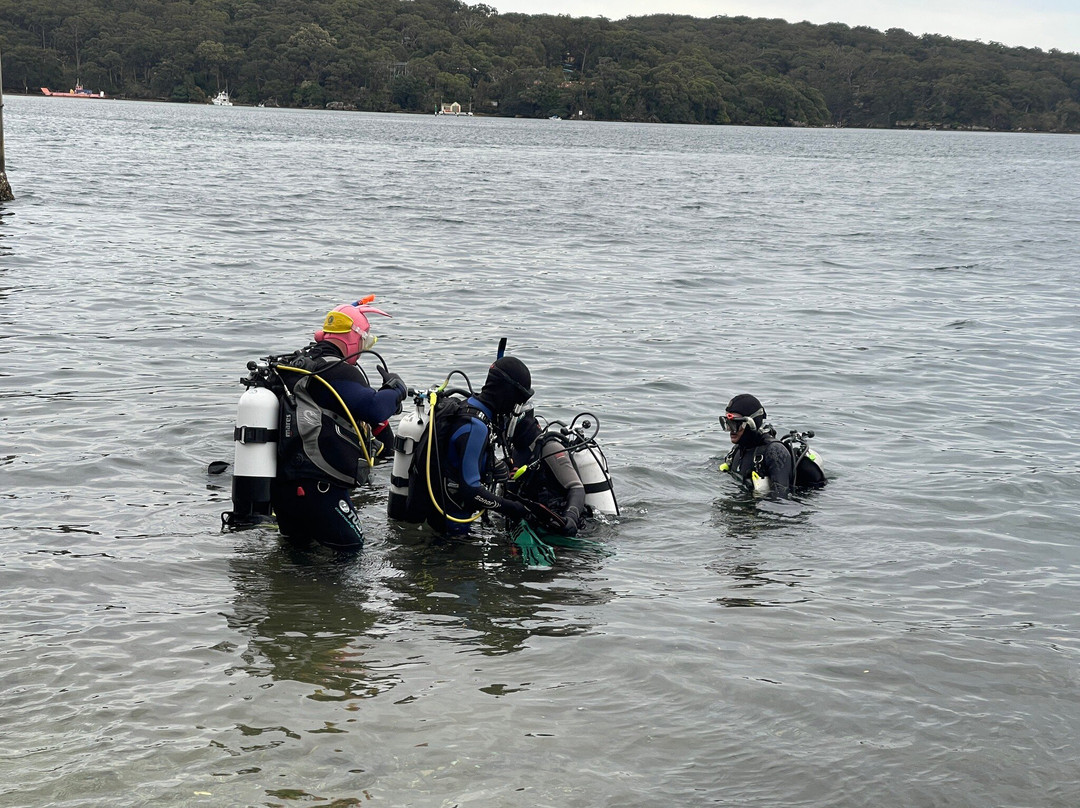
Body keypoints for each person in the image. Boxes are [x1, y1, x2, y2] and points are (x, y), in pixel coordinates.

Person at [270, 298, 408, 549]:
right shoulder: (338, 371)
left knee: (297, 553)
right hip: (320, 489)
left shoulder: (298, 365)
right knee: (351, 550)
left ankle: (290, 589)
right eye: (366, 341)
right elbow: (375, 408)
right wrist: (397, 388)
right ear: (354, 338)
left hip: (283, 489)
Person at [423, 356, 535, 535]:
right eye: (518, 399)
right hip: (452, 529)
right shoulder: (476, 427)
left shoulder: (470, 406)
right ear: (506, 393)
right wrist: (514, 508)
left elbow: (460, 461)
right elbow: (471, 490)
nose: (517, 406)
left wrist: (494, 466)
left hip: (441, 516)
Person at [505, 405, 587, 536]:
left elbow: (576, 487)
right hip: (532, 521)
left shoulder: (550, 447)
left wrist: (571, 517)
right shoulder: (515, 451)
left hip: (559, 523)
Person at [719, 393, 809, 500]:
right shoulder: (737, 450)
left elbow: (782, 499)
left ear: (751, 423)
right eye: (727, 423)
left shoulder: (774, 451)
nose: (729, 429)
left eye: (735, 424)